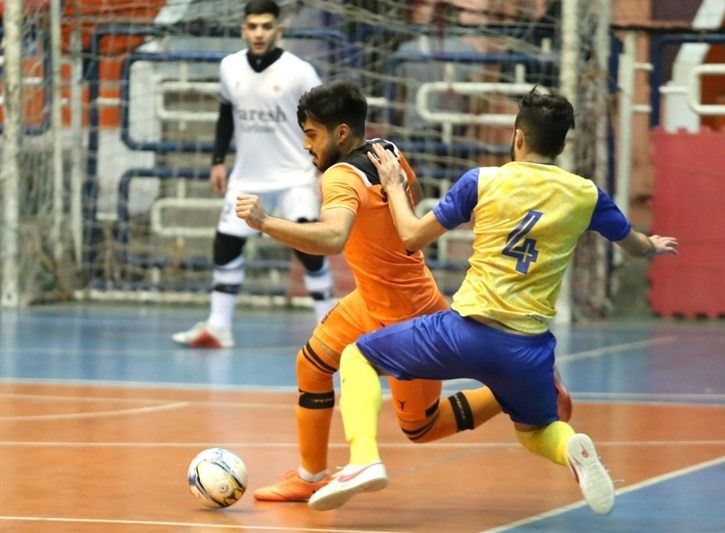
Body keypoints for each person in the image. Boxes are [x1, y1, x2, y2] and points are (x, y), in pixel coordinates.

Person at [307, 88, 680, 514]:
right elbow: (632, 244)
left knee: (357, 356)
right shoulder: (586, 194)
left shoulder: (482, 181)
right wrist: (651, 246)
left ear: (517, 137)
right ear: (561, 146)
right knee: (536, 432)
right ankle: (570, 449)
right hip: (529, 349)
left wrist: (393, 186)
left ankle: (362, 460)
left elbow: (411, 236)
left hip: (465, 334)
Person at [235, 79, 573, 502]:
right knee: (312, 365)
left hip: (405, 311)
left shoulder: (339, 177)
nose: (306, 145)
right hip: (371, 298)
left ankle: (512, 390)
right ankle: (310, 475)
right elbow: (410, 196)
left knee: (421, 427)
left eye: (312, 134)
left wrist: (265, 222)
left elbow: (333, 238)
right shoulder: (387, 151)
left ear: (341, 133)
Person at [172, 0, 335, 349]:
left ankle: (332, 328)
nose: (259, 33)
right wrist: (218, 160)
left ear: (278, 29)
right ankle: (219, 326)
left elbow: (325, 122)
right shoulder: (229, 67)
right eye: (253, 26)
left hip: (295, 176)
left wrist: (324, 168)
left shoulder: (300, 72)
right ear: (243, 30)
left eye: (266, 26)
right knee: (226, 245)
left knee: (309, 248)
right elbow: (226, 114)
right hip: (247, 179)